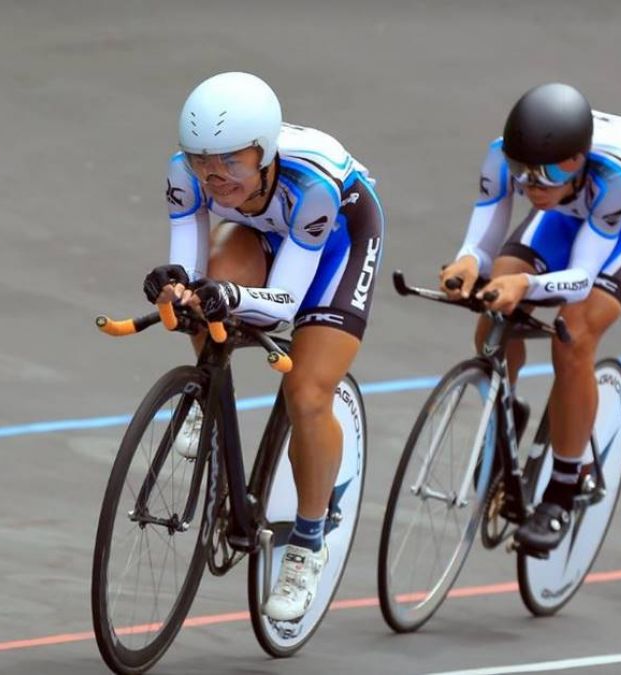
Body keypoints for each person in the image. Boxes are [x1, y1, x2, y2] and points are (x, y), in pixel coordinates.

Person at [143, 72, 383, 621]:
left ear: (264, 150)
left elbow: (283, 303)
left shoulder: (313, 185)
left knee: (307, 390)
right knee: (202, 297)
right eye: (201, 159)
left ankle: (307, 541)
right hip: (263, 232)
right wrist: (176, 287)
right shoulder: (184, 175)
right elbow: (191, 268)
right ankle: (205, 398)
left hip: (335, 246)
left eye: (230, 160)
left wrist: (227, 293)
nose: (213, 174)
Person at [439, 83, 621, 554]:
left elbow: (583, 279)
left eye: (542, 176)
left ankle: (564, 487)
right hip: (566, 216)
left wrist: (524, 286)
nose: (529, 186)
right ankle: (509, 409)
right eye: (521, 174)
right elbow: (484, 236)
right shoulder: (508, 161)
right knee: (492, 306)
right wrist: (468, 263)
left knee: (574, 336)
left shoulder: (615, 178)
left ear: (575, 162)